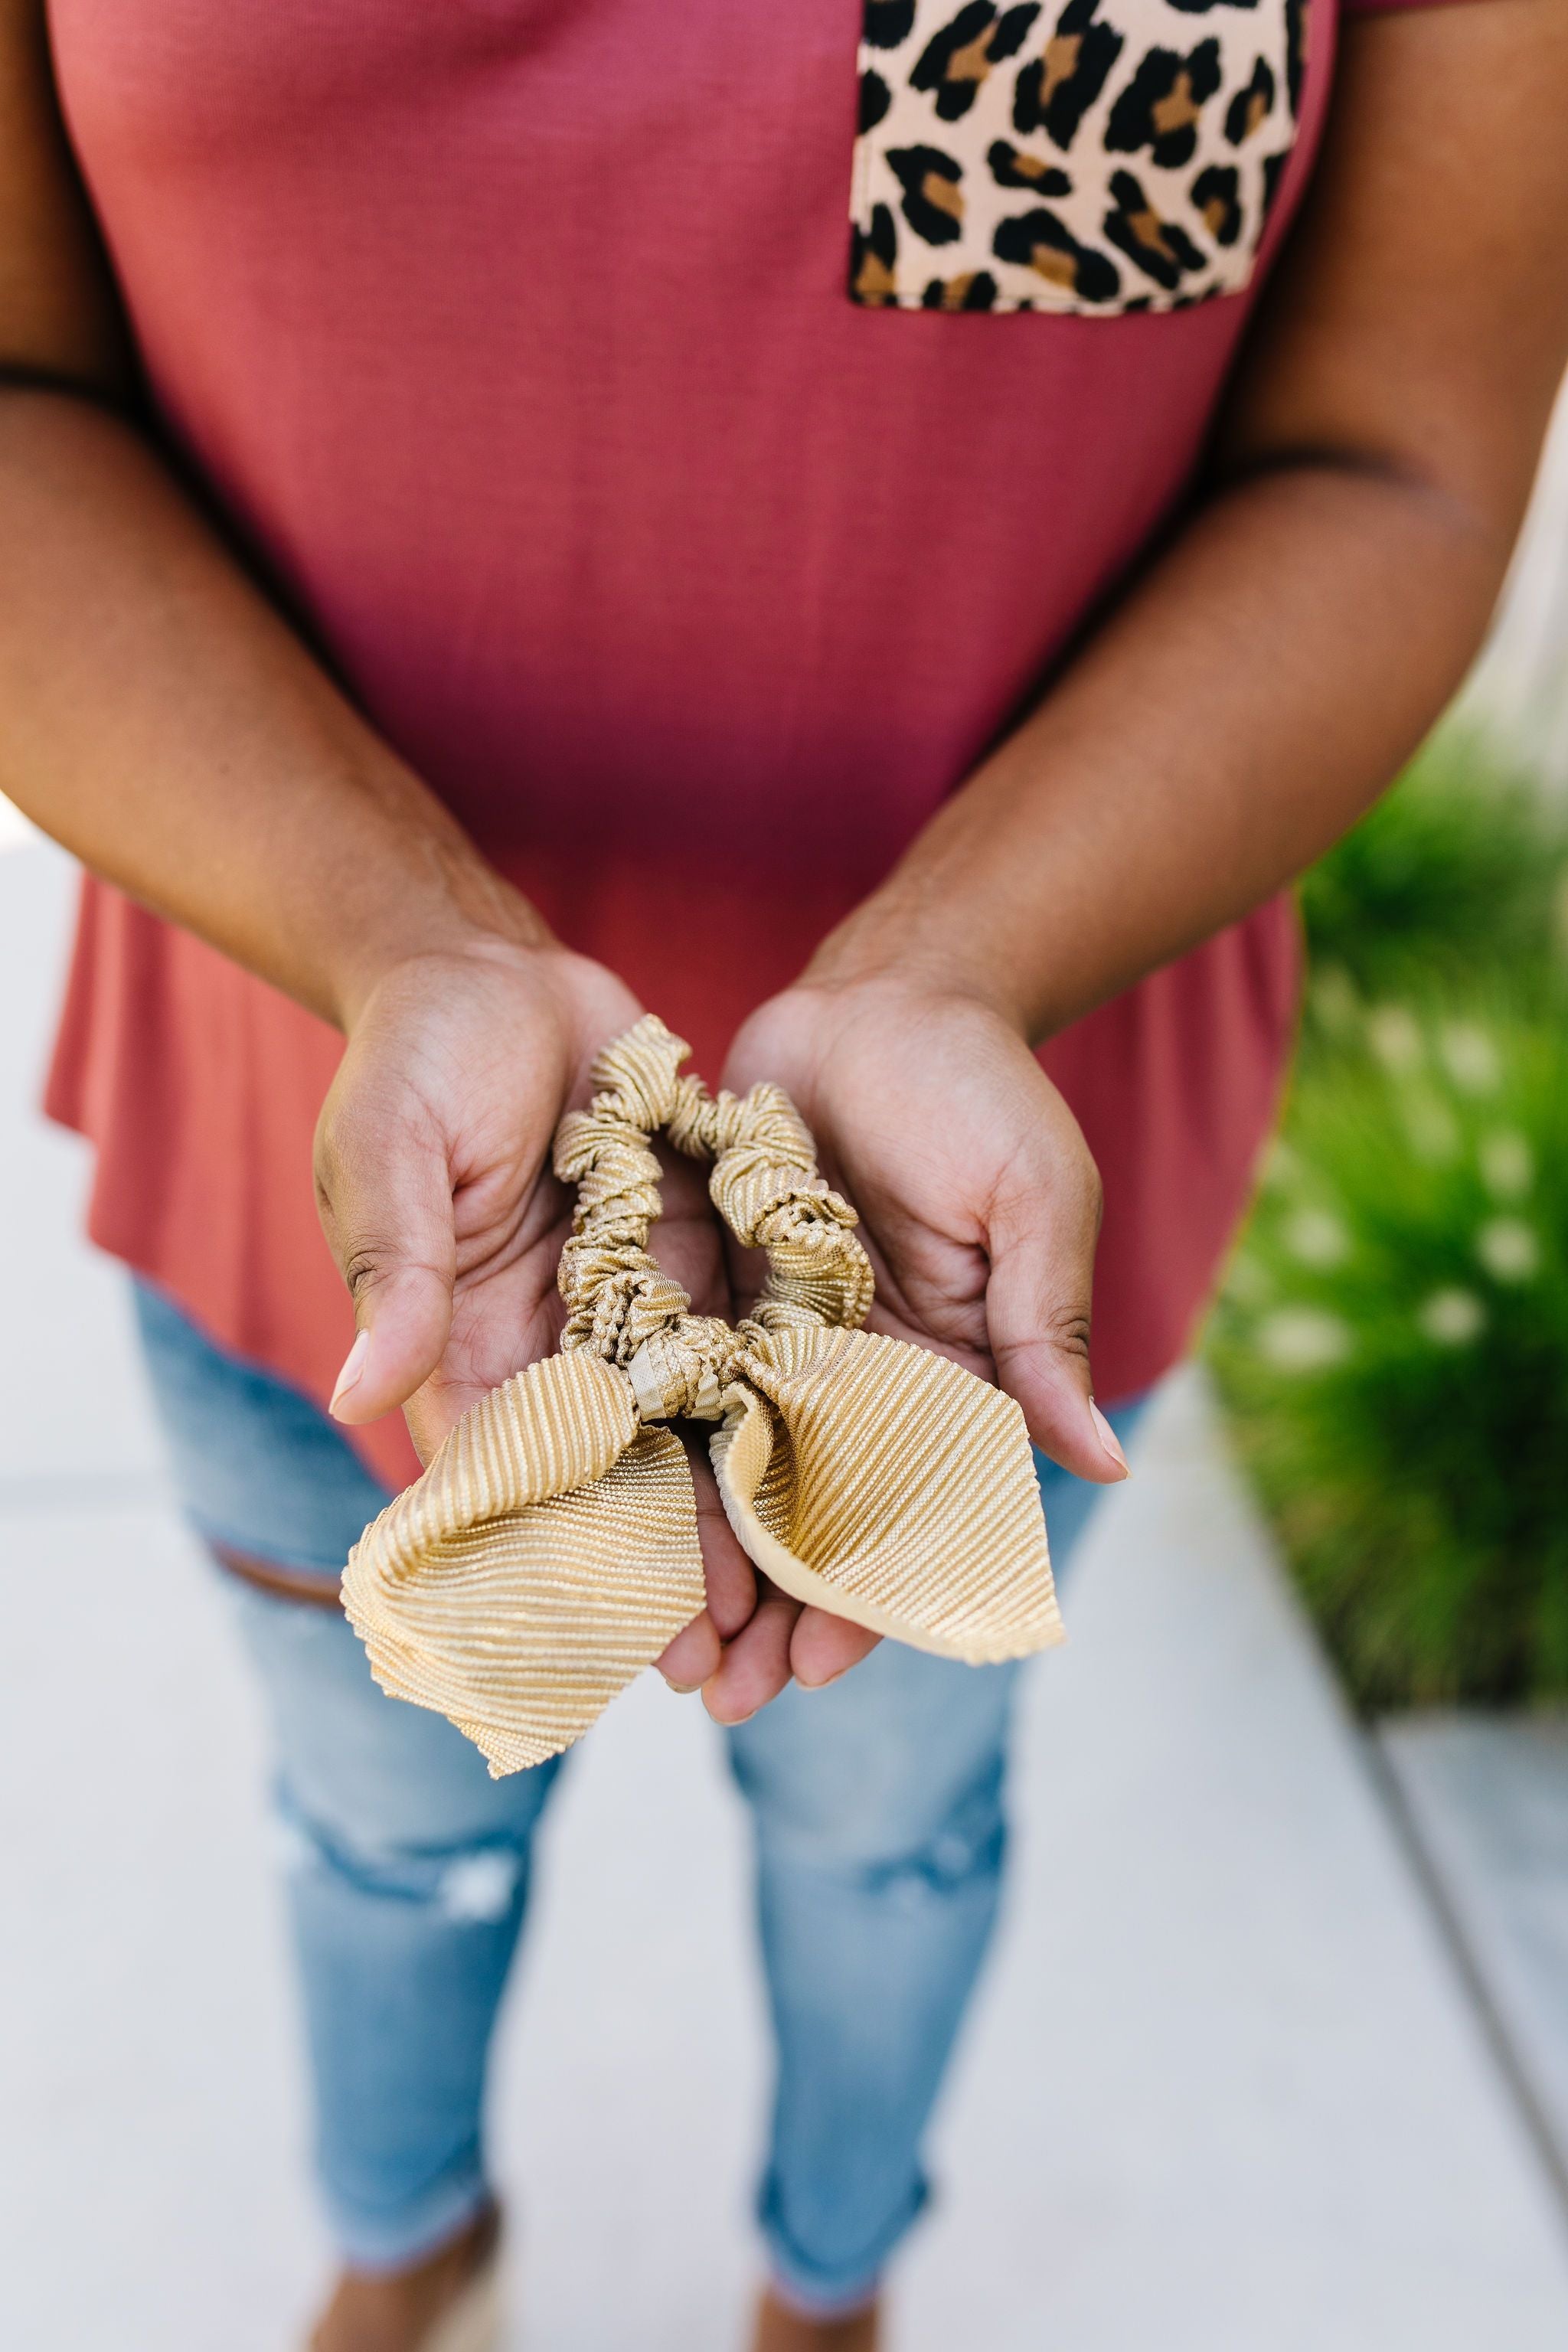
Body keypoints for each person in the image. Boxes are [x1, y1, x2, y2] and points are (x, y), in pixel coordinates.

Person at [3, 0, 1565, 2344]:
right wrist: (391, 930)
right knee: (382, 1814)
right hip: (334, 1145)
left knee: (890, 1835)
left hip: (978, 1217)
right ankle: (405, 2234)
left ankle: (830, 2276)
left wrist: (961, 961)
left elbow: (1396, 455)